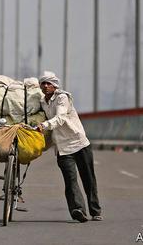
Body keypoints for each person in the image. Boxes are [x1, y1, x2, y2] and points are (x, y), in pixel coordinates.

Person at [35, 71, 103, 222]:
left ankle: (95, 210)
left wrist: (44, 125)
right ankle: (78, 209)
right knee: (70, 180)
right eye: (43, 83)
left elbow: (60, 118)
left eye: (49, 83)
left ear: (55, 85)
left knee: (88, 179)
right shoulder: (42, 102)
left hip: (79, 143)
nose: (46, 86)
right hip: (62, 148)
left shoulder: (62, 98)